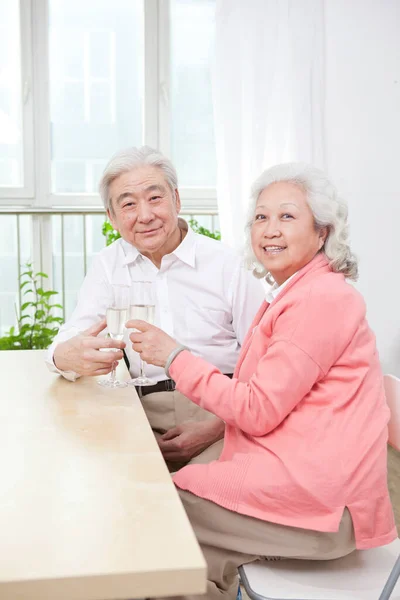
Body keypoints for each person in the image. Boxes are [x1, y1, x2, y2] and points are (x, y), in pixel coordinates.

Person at [128, 163, 397, 600]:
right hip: (308, 488)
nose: (270, 229)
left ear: (322, 232)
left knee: (156, 514)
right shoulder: (299, 293)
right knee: (188, 551)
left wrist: (174, 356)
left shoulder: (321, 300)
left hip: (322, 508)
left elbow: (256, 409)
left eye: (287, 216)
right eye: (260, 217)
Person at [46, 146, 264, 469]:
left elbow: (265, 365)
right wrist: (66, 355)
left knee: (198, 497)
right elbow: (66, 343)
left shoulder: (227, 265)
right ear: (112, 216)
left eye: (155, 198)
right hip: (138, 413)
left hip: (218, 412)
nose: (145, 215)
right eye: (129, 204)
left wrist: (218, 427)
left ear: (176, 200)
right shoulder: (108, 266)